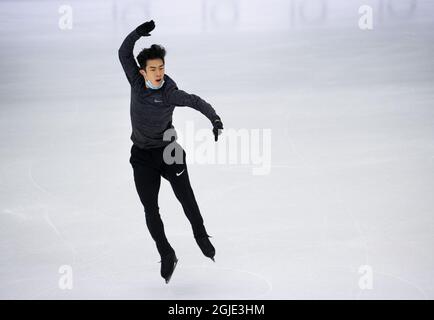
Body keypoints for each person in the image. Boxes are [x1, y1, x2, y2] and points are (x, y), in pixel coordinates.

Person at [118, 20, 224, 284]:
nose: (158, 73)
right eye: (152, 69)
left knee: (186, 197)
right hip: (142, 156)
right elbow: (123, 53)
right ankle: (166, 253)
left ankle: (200, 235)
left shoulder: (169, 93)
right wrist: (137, 34)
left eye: (161, 67)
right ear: (142, 72)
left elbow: (194, 101)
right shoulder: (134, 80)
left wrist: (215, 119)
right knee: (150, 209)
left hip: (169, 151)